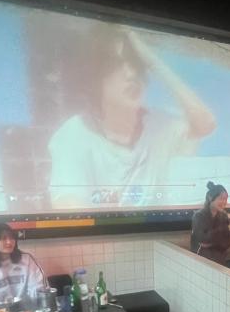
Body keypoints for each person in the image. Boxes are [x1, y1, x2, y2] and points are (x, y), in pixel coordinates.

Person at [48, 26, 216, 208]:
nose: (132, 74)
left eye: (137, 65)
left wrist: (153, 62)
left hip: (159, 225)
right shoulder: (74, 135)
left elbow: (205, 124)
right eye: (116, 65)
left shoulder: (158, 125)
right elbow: (68, 205)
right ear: (94, 78)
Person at [0, 223, 46, 307]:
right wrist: (8, 309)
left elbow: (39, 288)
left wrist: (27, 306)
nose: (9, 242)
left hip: (28, 310)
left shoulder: (27, 259)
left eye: (11, 238)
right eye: (3, 238)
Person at [190, 181, 230, 264]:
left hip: (220, 258)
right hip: (201, 258)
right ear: (210, 197)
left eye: (226, 199)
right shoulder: (199, 216)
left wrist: (211, 242)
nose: (224, 202)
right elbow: (203, 239)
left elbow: (229, 241)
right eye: (221, 198)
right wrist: (228, 228)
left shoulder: (224, 216)